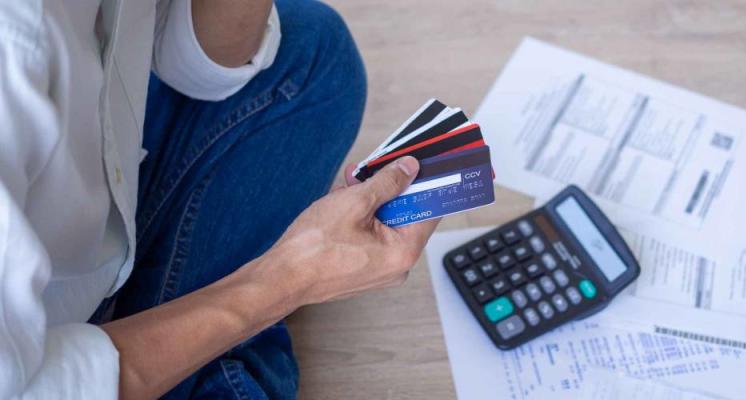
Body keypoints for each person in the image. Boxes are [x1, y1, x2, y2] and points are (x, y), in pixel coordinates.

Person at [0, 0, 437, 398]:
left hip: (78, 255)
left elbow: (195, 67)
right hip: (33, 363)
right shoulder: (15, 48)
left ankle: (184, 337)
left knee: (312, 50)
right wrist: (288, 278)